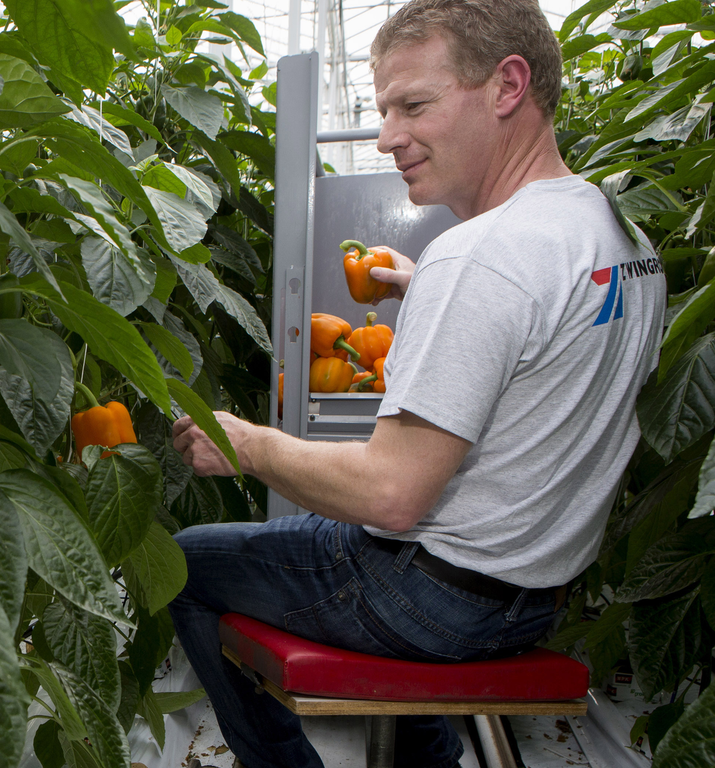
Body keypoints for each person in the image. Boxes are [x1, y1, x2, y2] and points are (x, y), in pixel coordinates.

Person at [169, 1, 667, 766]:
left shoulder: (482, 257)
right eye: (383, 109)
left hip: (430, 597)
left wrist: (249, 445)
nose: (387, 135)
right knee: (302, 538)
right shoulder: (612, 231)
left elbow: (390, 497)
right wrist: (423, 290)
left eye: (414, 105)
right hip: (534, 592)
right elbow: (544, 337)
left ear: (507, 86)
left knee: (187, 562)